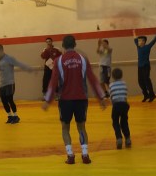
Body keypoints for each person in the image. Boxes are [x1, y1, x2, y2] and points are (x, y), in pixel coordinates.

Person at [42, 34, 107, 164]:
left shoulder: (58, 61)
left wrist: (48, 100)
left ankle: (70, 155)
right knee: (81, 127)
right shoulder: (83, 59)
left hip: (65, 100)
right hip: (81, 99)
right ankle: (85, 154)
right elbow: (92, 79)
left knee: (65, 127)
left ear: (63, 46)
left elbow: (53, 81)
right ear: (75, 44)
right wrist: (101, 97)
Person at [0, 44, 33, 123]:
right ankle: (10, 116)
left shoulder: (9, 58)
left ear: (1, 51)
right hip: (1, 84)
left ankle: (16, 116)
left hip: (10, 83)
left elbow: (19, 64)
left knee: (10, 100)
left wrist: (28, 68)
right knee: (3, 101)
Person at [133, 29, 156, 101]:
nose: (138, 42)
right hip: (140, 67)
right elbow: (135, 39)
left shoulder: (147, 47)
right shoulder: (138, 47)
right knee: (140, 81)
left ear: (143, 41)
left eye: (140, 41)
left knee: (146, 80)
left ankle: (152, 95)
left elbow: (153, 41)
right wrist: (133, 32)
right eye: (138, 41)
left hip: (146, 66)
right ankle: (146, 95)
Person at [109, 67, 131, 149]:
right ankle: (128, 138)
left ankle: (119, 138)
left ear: (113, 76)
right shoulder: (124, 84)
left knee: (115, 122)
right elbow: (125, 94)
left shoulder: (111, 85)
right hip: (124, 105)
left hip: (116, 105)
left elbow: (111, 96)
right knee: (124, 121)